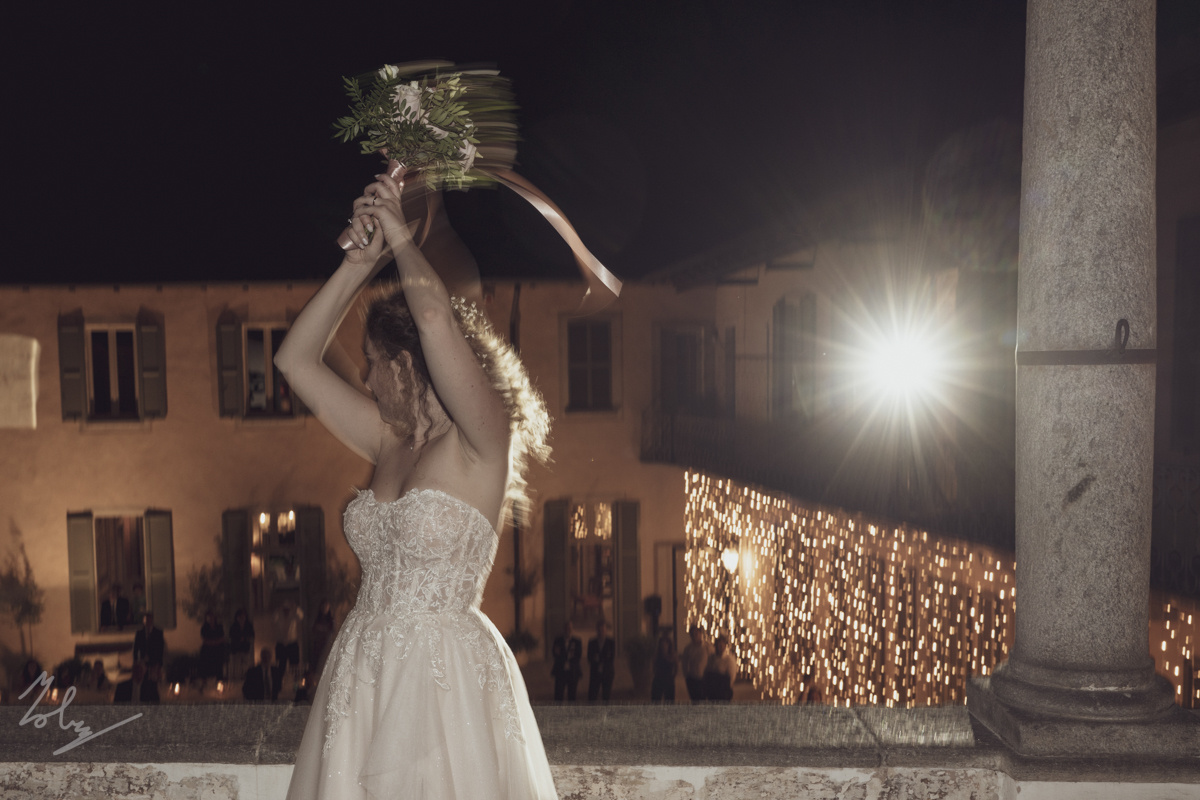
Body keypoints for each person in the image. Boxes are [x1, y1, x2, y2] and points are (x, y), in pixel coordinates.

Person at [274, 163, 555, 800]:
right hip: (362, 675)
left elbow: (432, 316)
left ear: (406, 365)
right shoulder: (387, 439)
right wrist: (358, 264)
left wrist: (400, 233)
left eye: (373, 363)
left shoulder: (482, 439)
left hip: (444, 684)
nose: (365, 379)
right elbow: (294, 360)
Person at [550, 622, 583, 702]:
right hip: (560, 671)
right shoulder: (558, 640)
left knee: (572, 695)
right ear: (564, 629)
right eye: (566, 629)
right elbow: (554, 653)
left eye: (570, 629)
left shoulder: (577, 641)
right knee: (558, 695)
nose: (568, 630)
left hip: (573, 671)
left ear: (572, 629)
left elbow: (578, 655)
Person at [680, 625, 713, 702]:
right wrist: (686, 675)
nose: (694, 636)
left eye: (696, 634)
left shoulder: (707, 647)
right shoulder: (688, 648)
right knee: (694, 699)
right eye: (692, 634)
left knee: (703, 699)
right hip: (692, 678)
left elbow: (712, 661)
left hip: (704, 678)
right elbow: (684, 662)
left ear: (700, 634)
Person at [702, 634, 738, 702]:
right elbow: (707, 671)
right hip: (712, 691)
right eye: (718, 644)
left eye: (721, 645)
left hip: (723, 691)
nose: (719, 647)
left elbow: (731, 676)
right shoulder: (712, 658)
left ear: (725, 646)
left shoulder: (729, 659)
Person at [274, 601, 304, 685]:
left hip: (292, 644)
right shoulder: (279, 617)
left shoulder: (293, 617)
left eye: (288, 609)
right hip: (281, 644)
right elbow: (273, 618)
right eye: (285, 609)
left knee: (294, 666)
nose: (286, 611)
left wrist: (296, 607)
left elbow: (301, 616)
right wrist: (278, 608)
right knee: (280, 666)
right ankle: (279, 684)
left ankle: (296, 685)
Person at [587, 620, 616, 702]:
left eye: (603, 630)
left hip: (607, 672)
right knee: (592, 695)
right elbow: (589, 657)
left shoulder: (611, 642)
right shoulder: (592, 642)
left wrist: (599, 659)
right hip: (595, 672)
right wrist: (595, 659)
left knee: (606, 695)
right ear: (597, 630)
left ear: (606, 630)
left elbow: (611, 658)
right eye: (599, 630)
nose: (601, 632)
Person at [199, 609, 228, 686]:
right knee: (206, 667)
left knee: (218, 667)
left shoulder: (219, 627)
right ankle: (206, 683)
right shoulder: (204, 628)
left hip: (218, 651)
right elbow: (205, 640)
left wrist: (215, 642)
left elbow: (222, 638)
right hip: (207, 651)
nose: (210, 619)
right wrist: (214, 642)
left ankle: (219, 684)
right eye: (209, 617)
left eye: (212, 617)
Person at [650, 629, 678, 703]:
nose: (664, 646)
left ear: (669, 645)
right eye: (662, 644)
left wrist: (672, 676)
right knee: (655, 699)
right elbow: (653, 666)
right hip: (658, 679)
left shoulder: (673, 655)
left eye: (665, 644)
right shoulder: (657, 655)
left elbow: (676, 668)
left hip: (669, 679)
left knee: (669, 700)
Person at [228, 608, 255, 683]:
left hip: (245, 648)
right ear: (237, 617)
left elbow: (252, 636)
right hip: (236, 649)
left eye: (243, 617)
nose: (242, 618)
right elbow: (231, 636)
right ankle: (236, 680)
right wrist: (239, 639)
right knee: (236, 666)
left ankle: (245, 679)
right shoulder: (234, 626)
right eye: (240, 617)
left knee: (245, 665)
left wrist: (245, 638)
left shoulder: (248, 626)